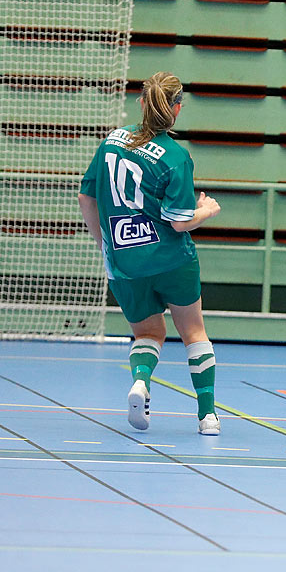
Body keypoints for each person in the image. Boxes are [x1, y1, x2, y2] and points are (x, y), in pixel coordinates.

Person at [78, 73, 224, 435]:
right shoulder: (175, 157)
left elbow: (86, 197)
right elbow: (179, 223)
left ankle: (141, 382)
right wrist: (206, 211)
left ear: (142, 103)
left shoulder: (112, 141)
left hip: (125, 261)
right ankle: (207, 417)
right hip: (172, 259)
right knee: (193, 331)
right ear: (175, 110)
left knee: (147, 332)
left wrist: (105, 244)